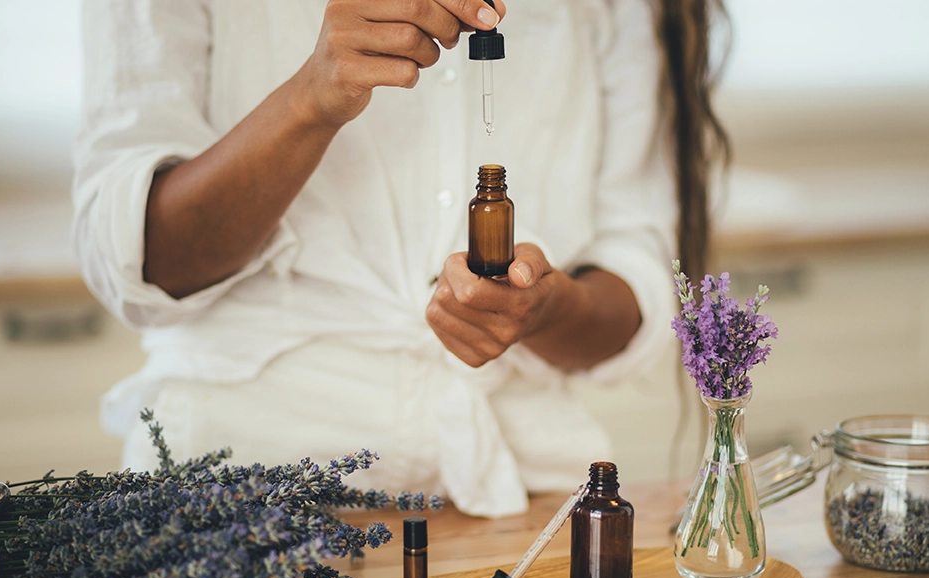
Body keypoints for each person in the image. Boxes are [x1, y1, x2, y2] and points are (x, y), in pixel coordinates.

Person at [73, 0, 728, 517]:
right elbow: (138, 259)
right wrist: (310, 97)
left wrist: (546, 307)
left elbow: (636, 277)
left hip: (518, 487)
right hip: (241, 486)